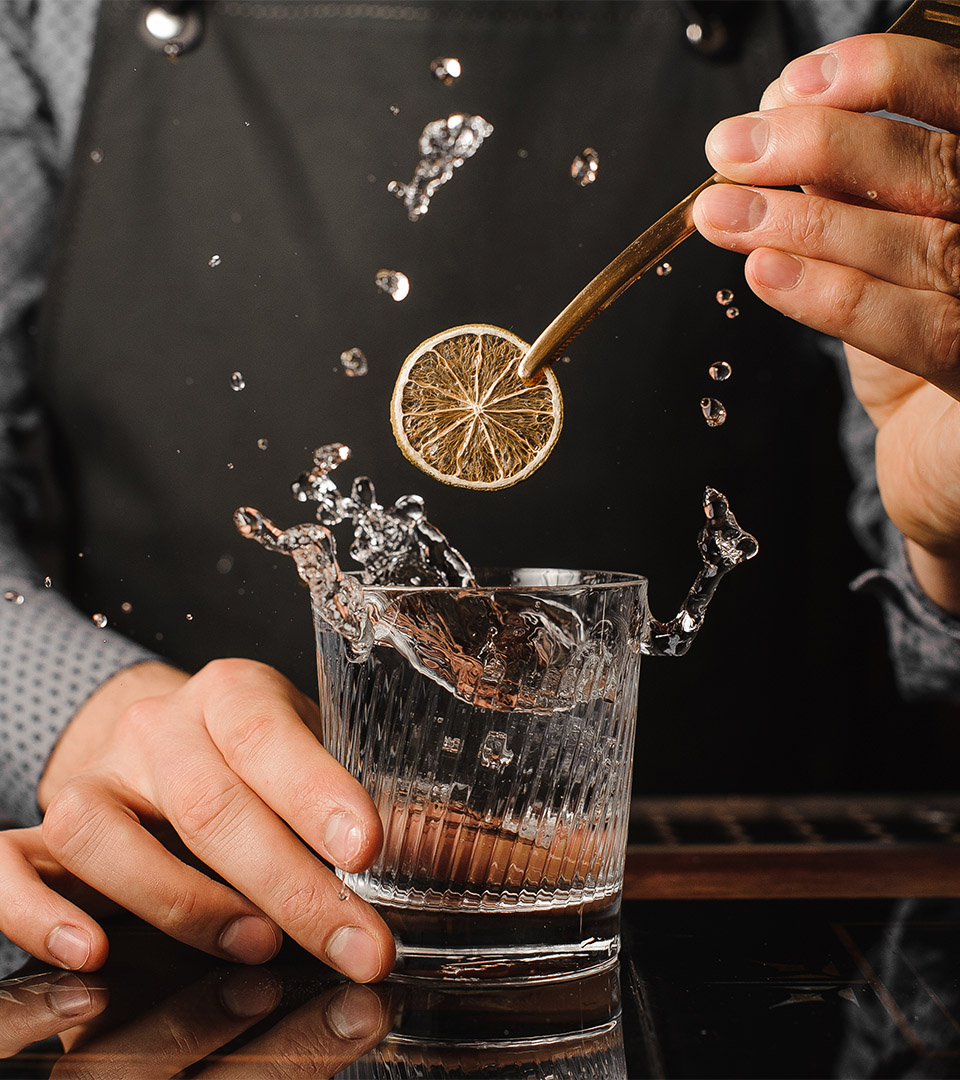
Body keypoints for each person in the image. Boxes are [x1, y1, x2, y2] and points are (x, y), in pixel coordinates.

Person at [0, 0, 957, 982]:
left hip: (768, 947)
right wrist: (90, 712)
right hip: (202, 943)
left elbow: (922, 593)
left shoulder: (852, 17)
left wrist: (948, 538)